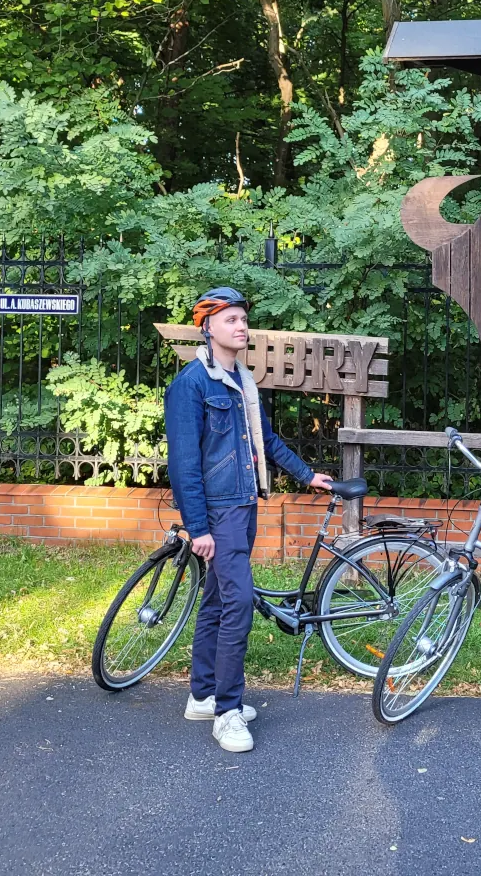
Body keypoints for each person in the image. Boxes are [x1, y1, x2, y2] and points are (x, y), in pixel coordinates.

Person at [164, 286, 333, 753]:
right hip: (218, 512)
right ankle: (228, 712)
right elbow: (184, 464)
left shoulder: (240, 380)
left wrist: (305, 474)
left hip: (243, 504)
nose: (241, 327)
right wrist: (197, 527)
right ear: (207, 327)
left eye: (243, 319)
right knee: (238, 605)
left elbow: (265, 440)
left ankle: (203, 695)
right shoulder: (192, 384)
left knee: (218, 602)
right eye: (230, 320)